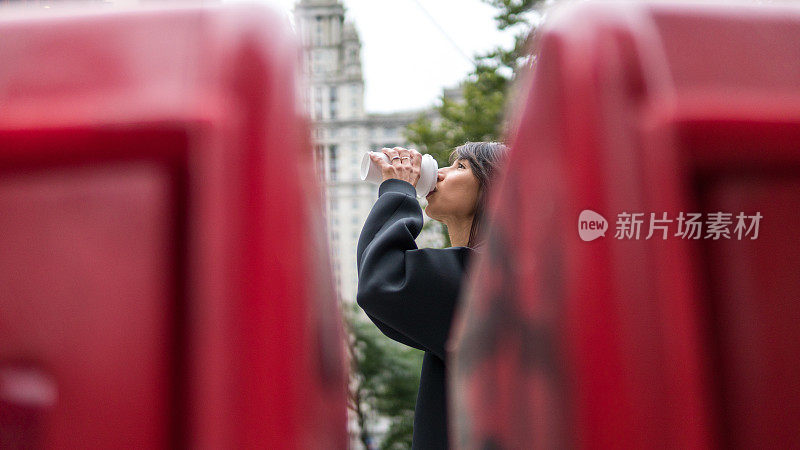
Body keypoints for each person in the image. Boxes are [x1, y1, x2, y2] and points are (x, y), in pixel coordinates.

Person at [356, 142, 509, 449]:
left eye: (460, 167)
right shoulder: (490, 274)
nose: (438, 173)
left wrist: (398, 190)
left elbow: (382, 279)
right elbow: (381, 284)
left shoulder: (490, 278)